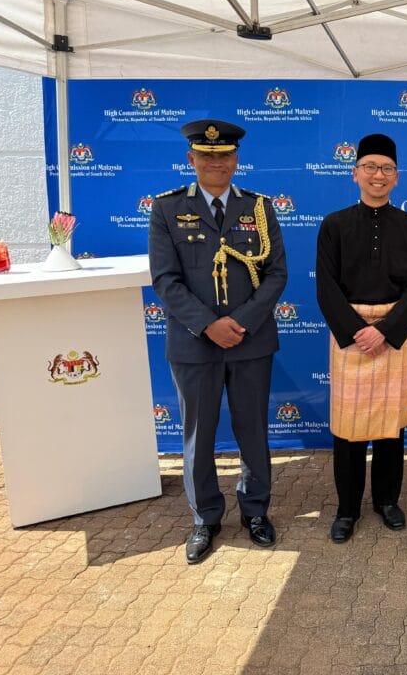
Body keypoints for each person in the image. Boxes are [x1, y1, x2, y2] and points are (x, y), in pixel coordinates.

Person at [148, 118, 287, 564]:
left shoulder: (259, 209)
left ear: (236, 160)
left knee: (252, 431)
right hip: (194, 344)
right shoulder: (167, 209)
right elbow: (165, 280)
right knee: (198, 434)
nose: (216, 163)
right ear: (191, 159)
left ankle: (255, 511)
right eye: (207, 156)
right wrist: (209, 325)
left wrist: (240, 322)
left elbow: (276, 274)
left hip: (250, 341)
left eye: (224, 155)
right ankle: (205, 518)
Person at [315, 133, 407, 543]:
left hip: (394, 336)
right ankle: (347, 509)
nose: (378, 176)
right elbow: (326, 287)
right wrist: (356, 331)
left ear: (397, 177)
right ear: (355, 173)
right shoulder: (334, 225)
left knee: (391, 426)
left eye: (386, 169)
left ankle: (386, 501)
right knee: (348, 429)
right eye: (370, 168)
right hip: (351, 337)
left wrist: (385, 332)